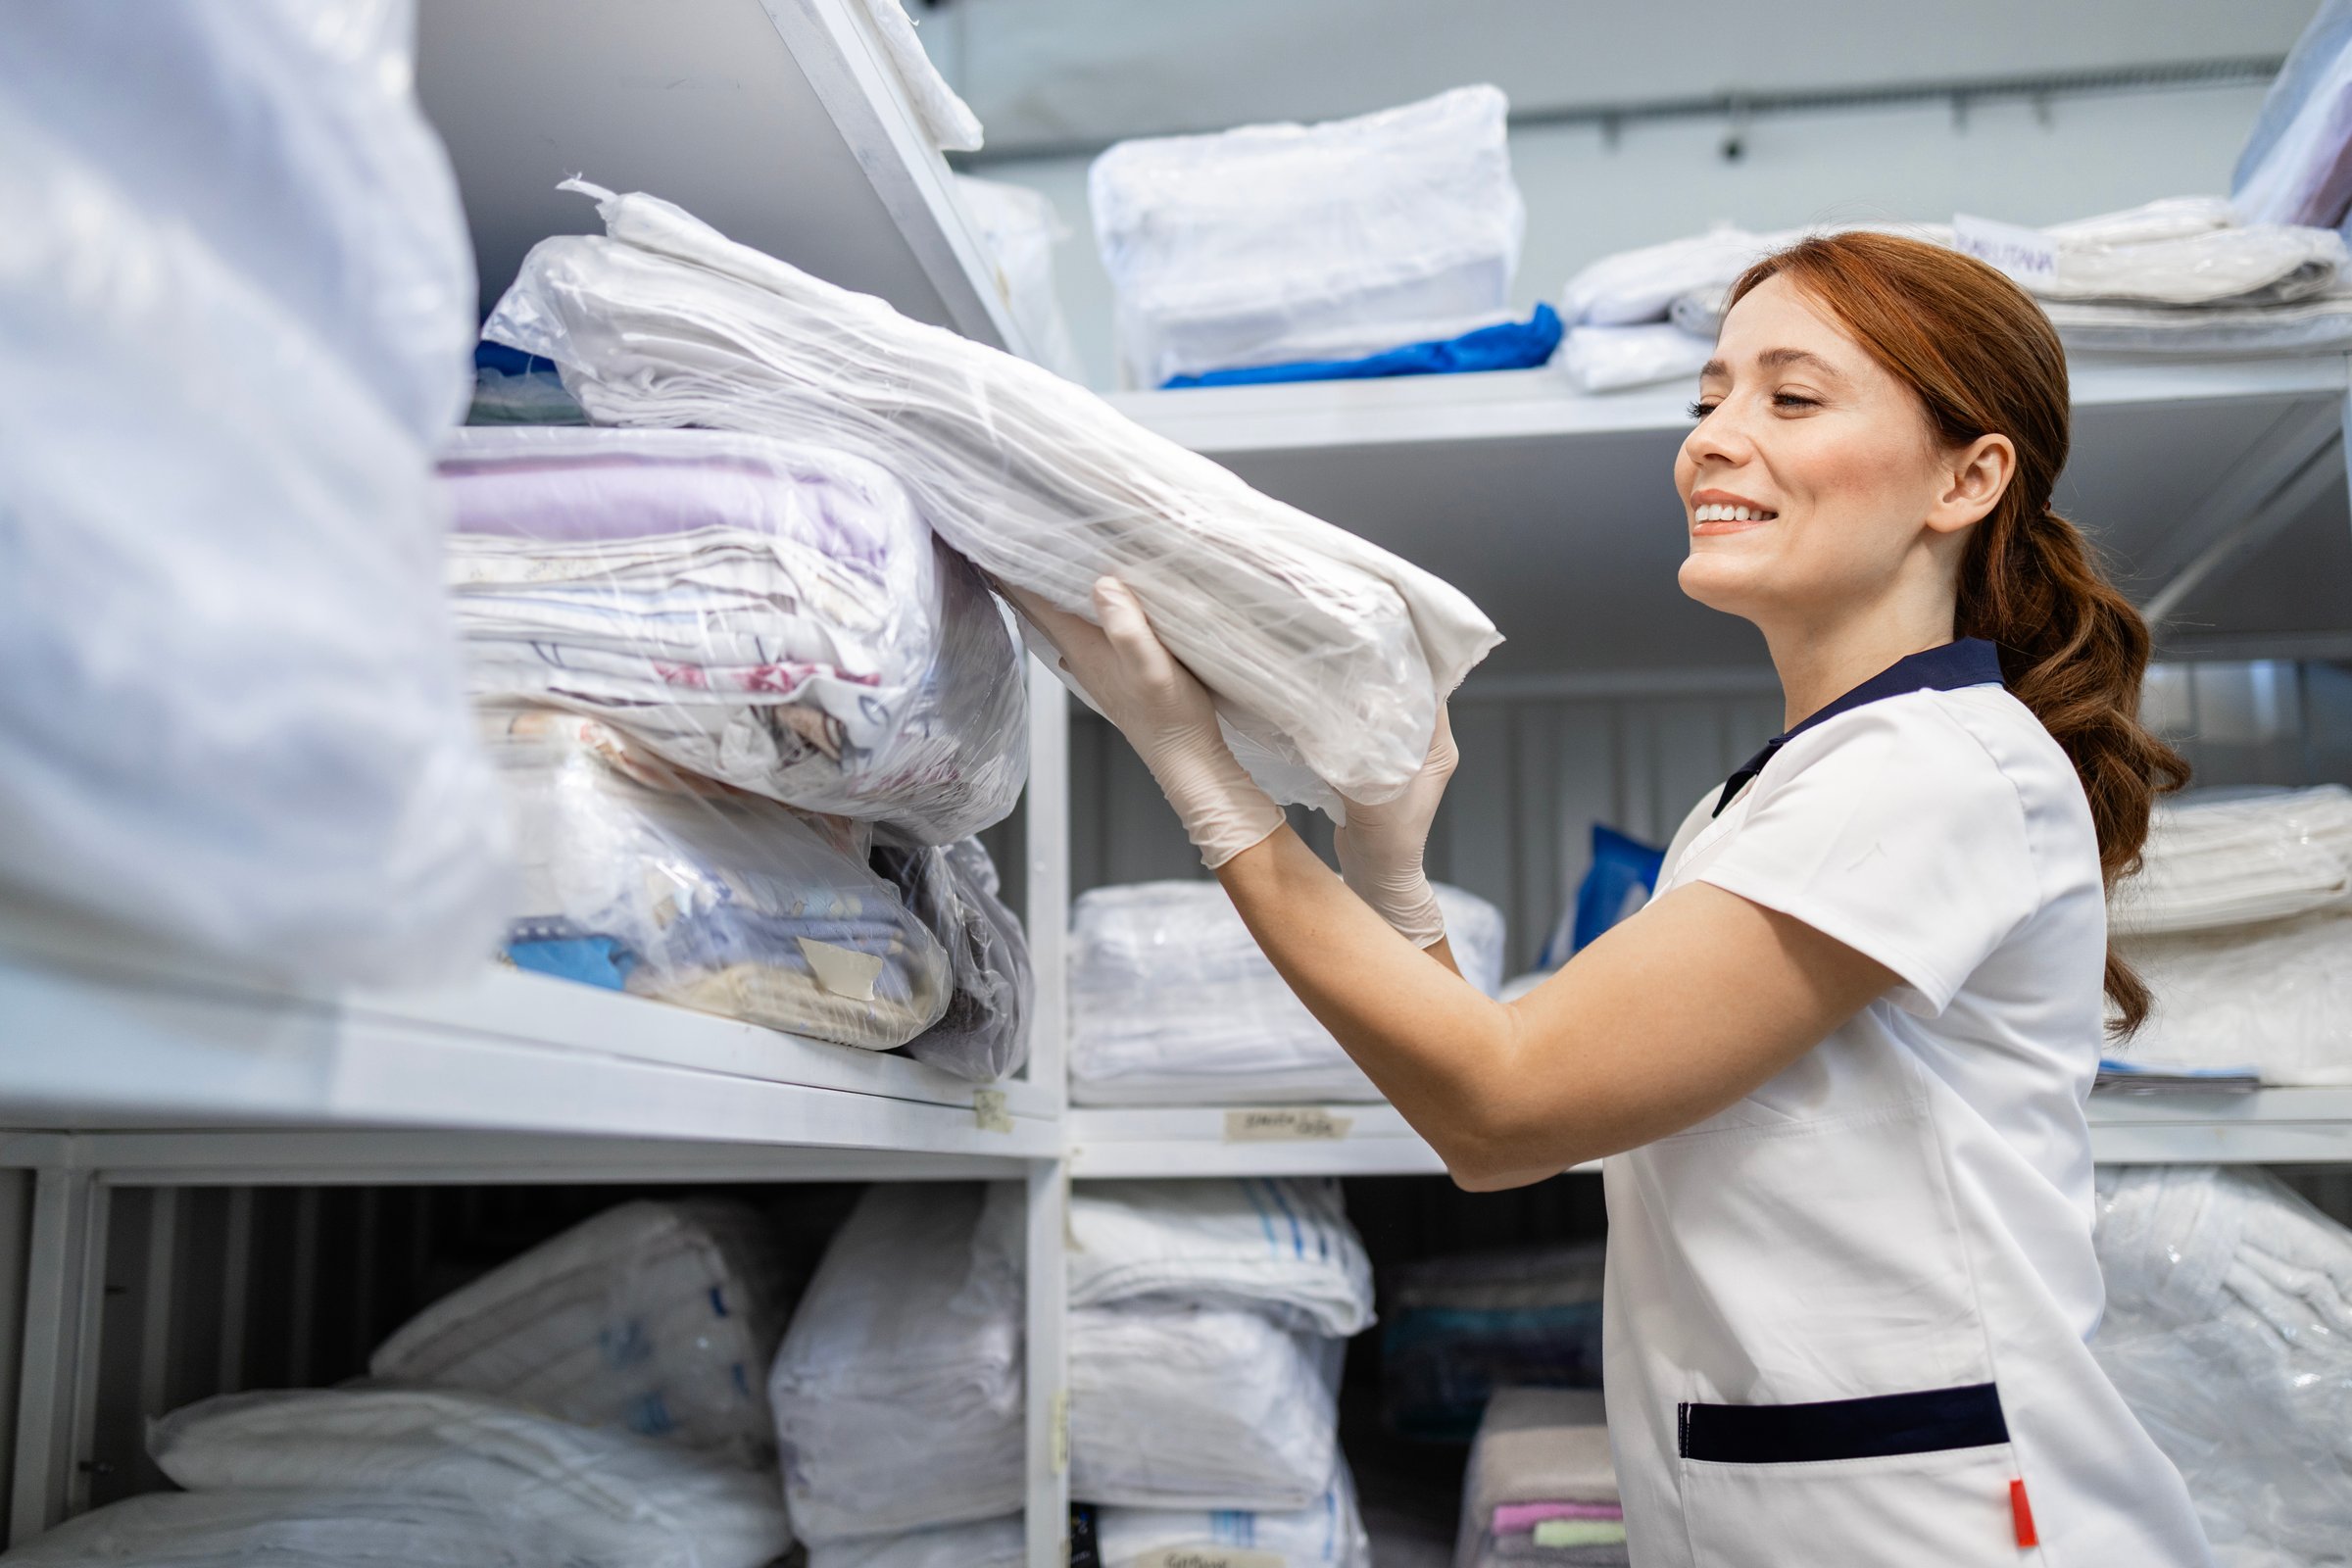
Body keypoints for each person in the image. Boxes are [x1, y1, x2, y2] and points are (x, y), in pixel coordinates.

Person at [1012, 231, 2213, 1566]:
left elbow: (1507, 1103)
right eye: (1709, 400)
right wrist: (1388, 875)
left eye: (1789, 397)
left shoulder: (1933, 770)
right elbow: (1496, 1116)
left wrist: (1206, 783)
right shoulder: (1769, 798)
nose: (1712, 439)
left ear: (1968, 476)